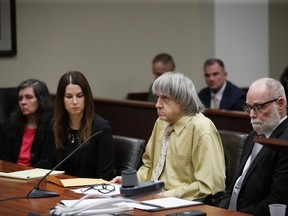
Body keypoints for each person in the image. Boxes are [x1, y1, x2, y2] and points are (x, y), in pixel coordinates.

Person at [112, 72, 226, 200]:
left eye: (165, 98)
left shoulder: (201, 128)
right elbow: (149, 167)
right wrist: (132, 183)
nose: (158, 104)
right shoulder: (161, 122)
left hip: (182, 203)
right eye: (157, 98)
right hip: (153, 197)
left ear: (183, 100)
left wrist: (165, 195)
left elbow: (210, 185)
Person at [225, 77, 288, 216]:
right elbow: (236, 185)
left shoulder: (285, 143)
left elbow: (277, 202)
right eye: (249, 107)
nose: (252, 115)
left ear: (280, 104)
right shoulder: (253, 135)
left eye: (259, 107)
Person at [51, 71, 115, 180]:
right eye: (69, 96)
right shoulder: (55, 126)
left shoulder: (101, 129)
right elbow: (50, 167)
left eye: (80, 96)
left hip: (90, 192)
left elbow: (105, 176)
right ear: (61, 100)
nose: (75, 102)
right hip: (58, 190)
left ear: (87, 97)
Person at [0, 79, 54, 168]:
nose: (23, 102)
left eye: (29, 97)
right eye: (20, 98)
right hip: (11, 174)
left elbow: (50, 161)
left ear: (41, 100)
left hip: (37, 177)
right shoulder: (9, 126)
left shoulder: (53, 126)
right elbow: (3, 156)